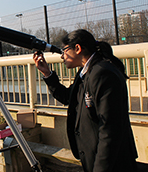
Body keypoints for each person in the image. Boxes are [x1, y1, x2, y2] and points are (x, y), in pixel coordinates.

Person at [33, 29, 138, 172]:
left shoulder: (102, 73)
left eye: (64, 51)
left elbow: (110, 130)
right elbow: (68, 97)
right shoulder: (86, 72)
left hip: (112, 163)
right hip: (95, 158)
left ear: (77, 48)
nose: (62, 57)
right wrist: (47, 73)